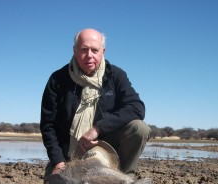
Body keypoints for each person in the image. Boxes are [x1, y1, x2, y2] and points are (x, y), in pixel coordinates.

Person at [40, 28, 151, 176]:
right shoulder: (57, 79)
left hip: (106, 150)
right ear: (75, 50)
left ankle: (125, 177)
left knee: (139, 128)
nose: (89, 55)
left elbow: (137, 107)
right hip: (68, 154)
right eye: (84, 49)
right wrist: (58, 161)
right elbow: (48, 126)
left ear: (103, 52)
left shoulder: (116, 75)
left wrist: (97, 129)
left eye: (94, 50)